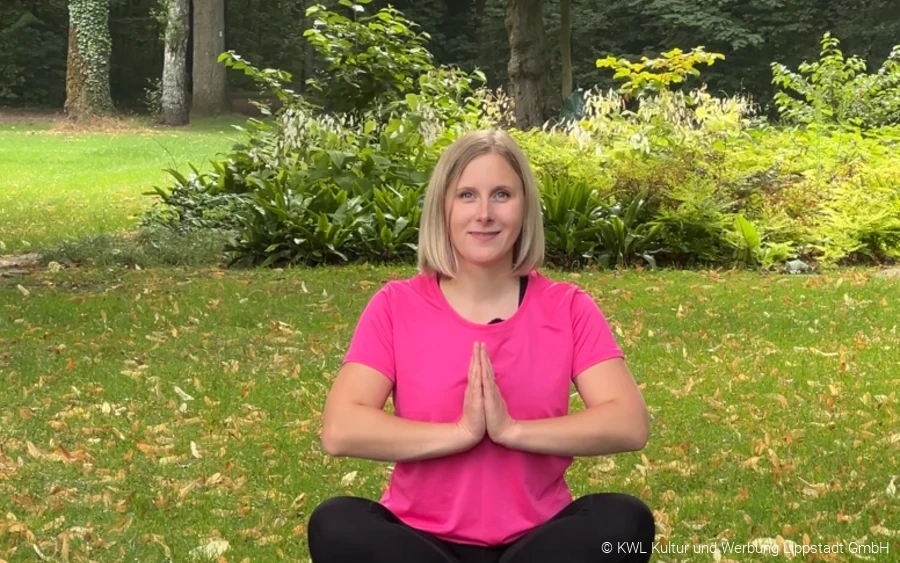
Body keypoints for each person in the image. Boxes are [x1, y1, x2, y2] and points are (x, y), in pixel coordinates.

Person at [307, 130, 655, 563]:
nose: (484, 213)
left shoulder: (567, 307)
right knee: (335, 523)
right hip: (421, 546)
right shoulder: (396, 306)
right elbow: (341, 429)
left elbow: (630, 424)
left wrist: (511, 431)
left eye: (502, 194)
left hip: (538, 545)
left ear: (524, 207)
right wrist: (460, 434)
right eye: (467, 195)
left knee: (625, 523)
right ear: (444, 208)